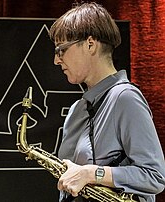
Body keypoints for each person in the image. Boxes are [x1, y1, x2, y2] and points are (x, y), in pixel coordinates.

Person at [49, 2, 165, 201]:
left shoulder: (125, 98)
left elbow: (154, 177)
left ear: (90, 44)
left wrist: (92, 174)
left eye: (61, 50)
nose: (56, 60)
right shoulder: (78, 109)